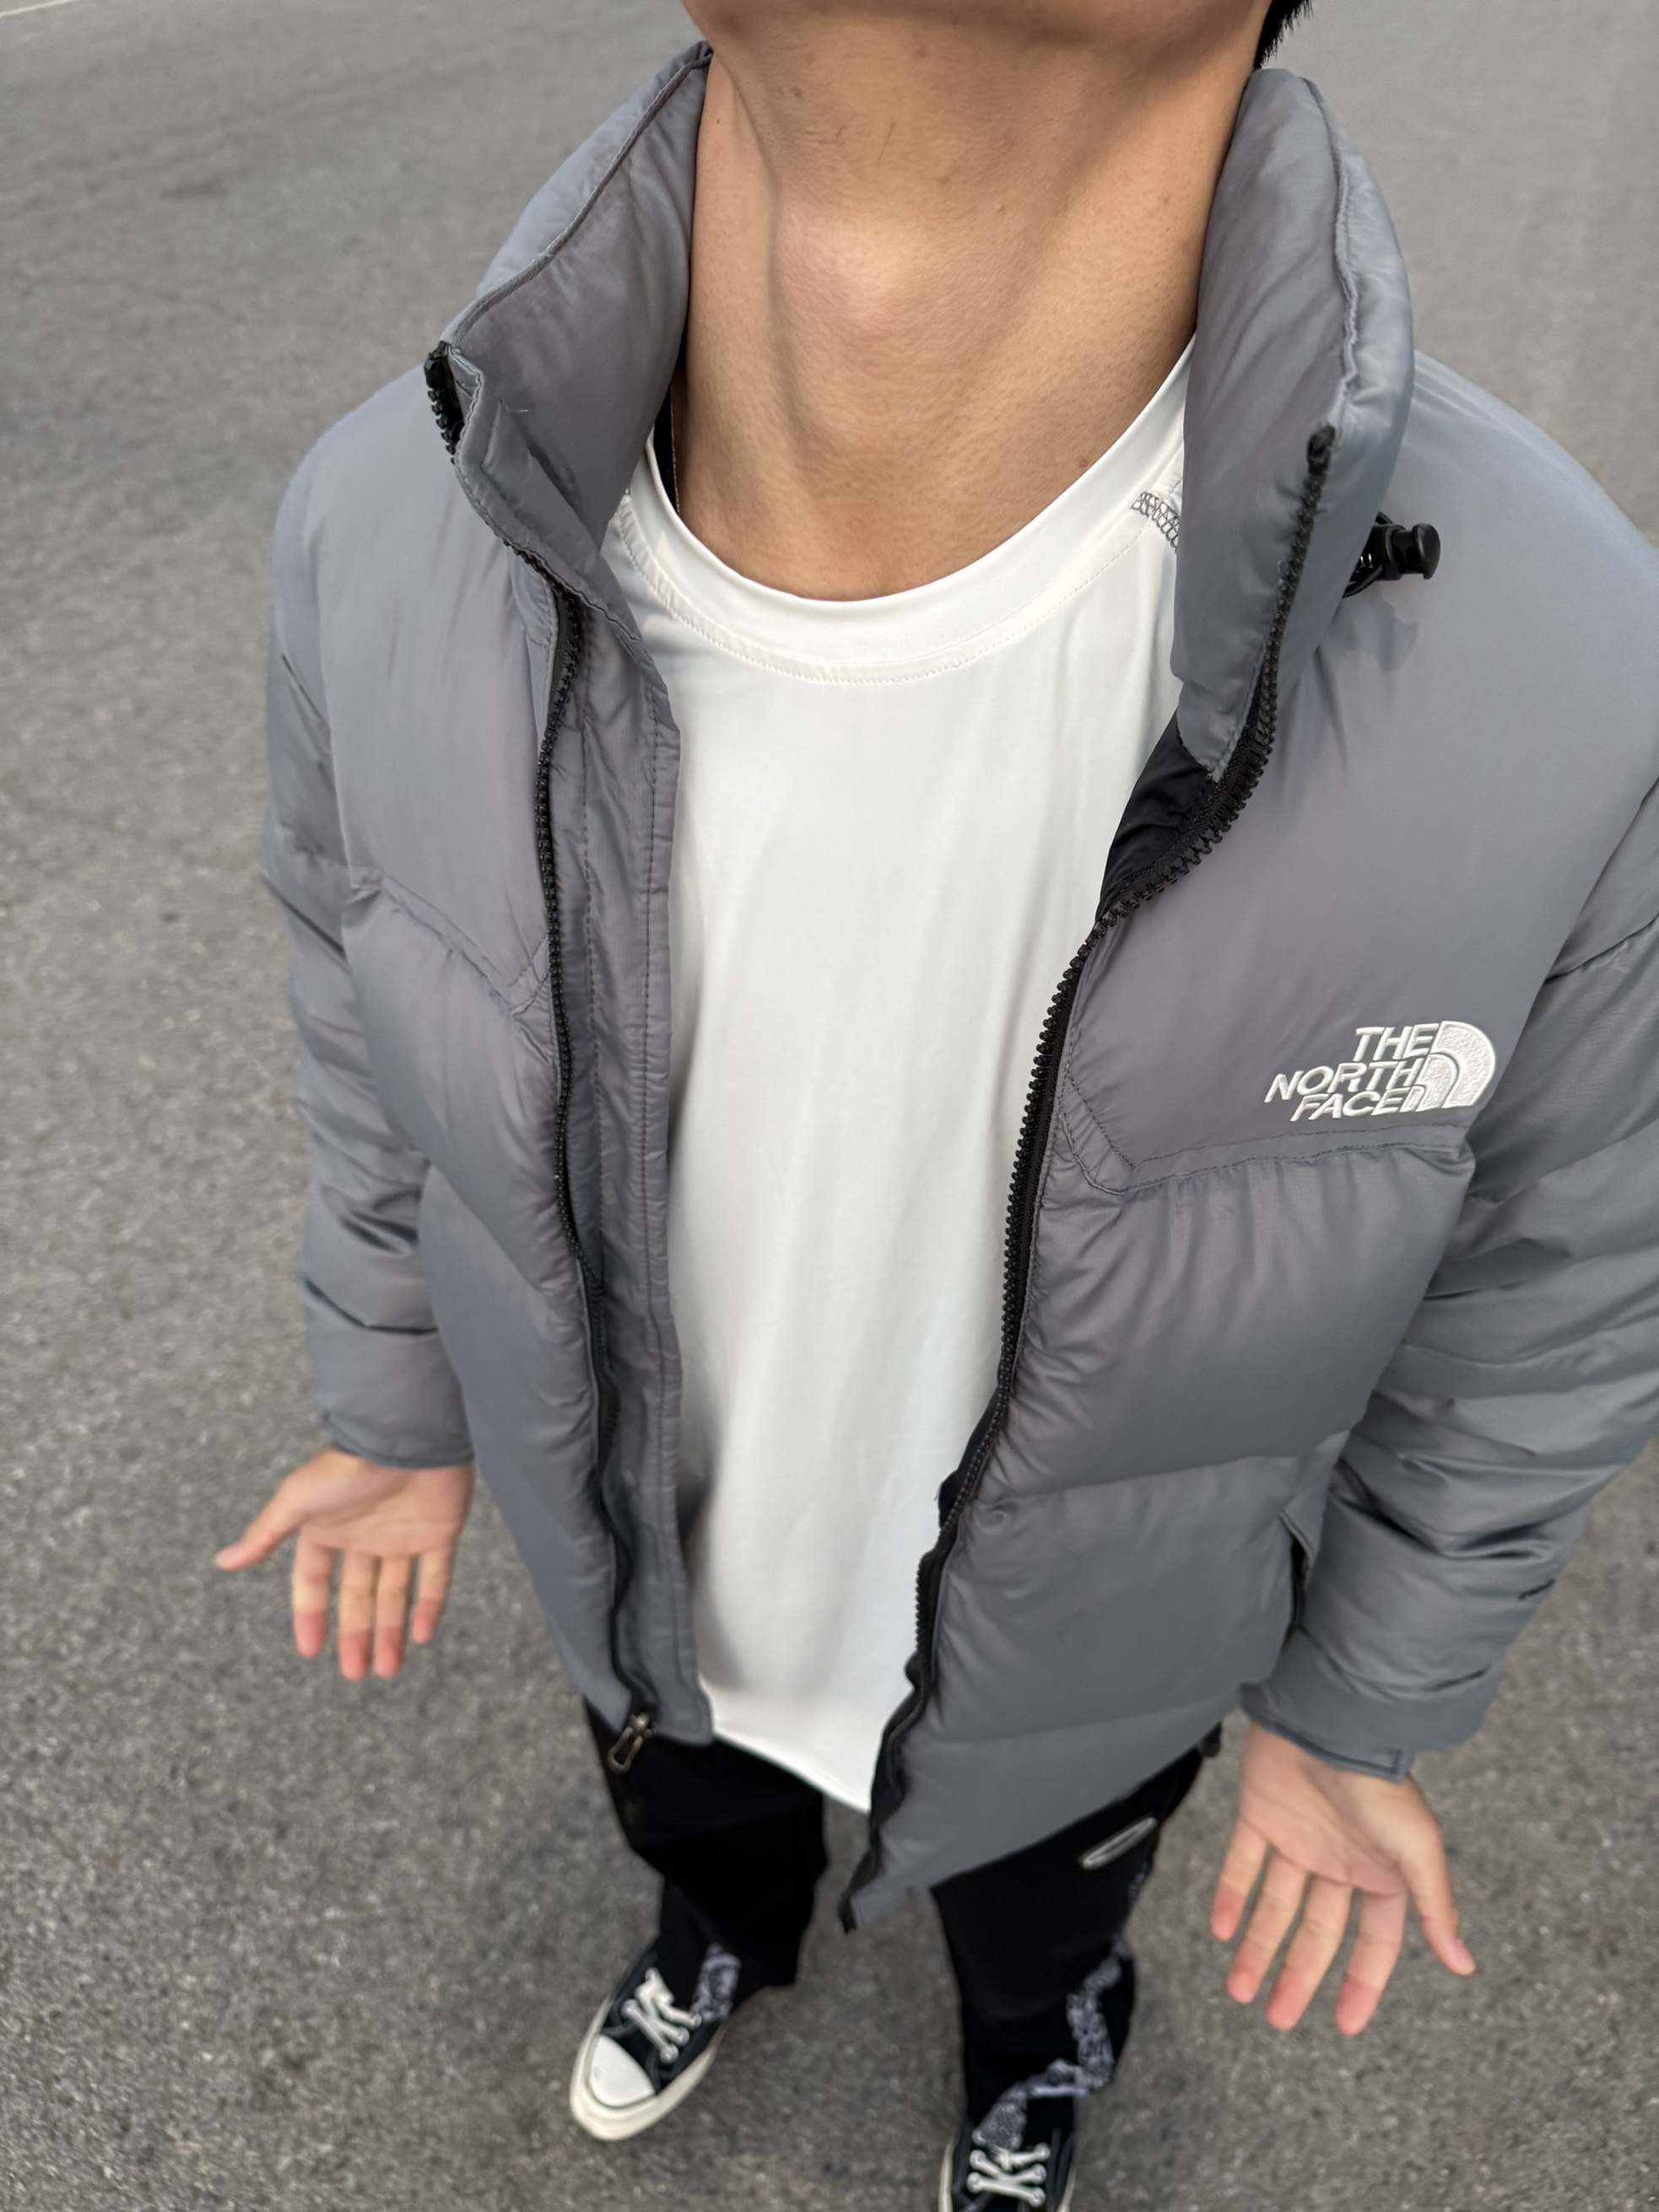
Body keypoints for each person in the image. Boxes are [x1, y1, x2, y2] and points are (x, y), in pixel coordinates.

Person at [217, 0, 1659, 2202]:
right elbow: (369, 1039)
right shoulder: (389, 521)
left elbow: (1555, 1294)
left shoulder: (1555, 664)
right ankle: (720, 1936)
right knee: (691, 1819)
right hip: (641, 1581)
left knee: (1043, 1917)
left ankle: (1036, 2044)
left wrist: (1362, 1706)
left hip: (1109, 1669)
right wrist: (397, 1405)